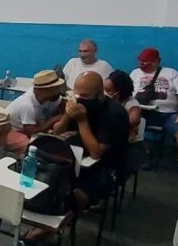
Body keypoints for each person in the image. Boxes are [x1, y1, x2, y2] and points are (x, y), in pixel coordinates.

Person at [52, 72, 130, 212]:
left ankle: (54, 224)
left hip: (107, 166)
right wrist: (67, 116)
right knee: (49, 180)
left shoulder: (115, 114)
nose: (80, 99)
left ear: (100, 95)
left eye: (85, 96)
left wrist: (82, 121)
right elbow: (57, 132)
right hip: (76, 160)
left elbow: (96, 152)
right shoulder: (77, 105)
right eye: (77, 95)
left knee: (75, 197)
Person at [129, 47, 178, 182]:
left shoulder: (171, 73)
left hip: (168, 114)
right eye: (142, 62)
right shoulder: (135, 73)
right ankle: (144, 154)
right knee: (125, 125)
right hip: (142, 111)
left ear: (157, 61)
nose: (143, 65)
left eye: (147, 62)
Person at [0, 70, 64, 154]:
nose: (58, 91)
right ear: (43, 90)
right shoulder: (27, 105)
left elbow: (62, 103)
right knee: (33, 150)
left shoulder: (49, 96)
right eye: (55, 89)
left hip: (25, 128)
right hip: (7, 131)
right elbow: (31, 131)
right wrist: (53, 120)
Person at [105, 69, 147, 174]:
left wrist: (113, 105)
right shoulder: (104, 100)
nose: (104, 93)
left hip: (127, 147)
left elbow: (134, 120)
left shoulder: (131, 103)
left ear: (118, 92)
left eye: (108, 90)